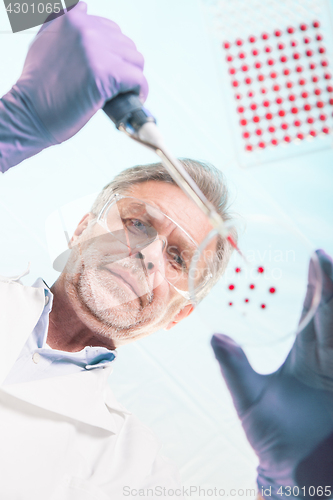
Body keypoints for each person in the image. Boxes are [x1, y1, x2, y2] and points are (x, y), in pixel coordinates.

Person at [0, 3, 234, 498]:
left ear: (178, 316)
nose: (148, 255)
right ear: (81, 227)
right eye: (136, 223)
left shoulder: (135, 472)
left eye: (178, 258)